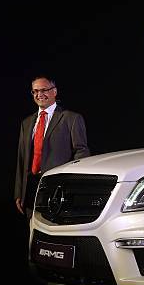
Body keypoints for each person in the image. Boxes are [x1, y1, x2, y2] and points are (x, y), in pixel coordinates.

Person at [14, 75, 90, 219]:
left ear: (54, 91)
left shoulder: (71, 119)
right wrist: (19, 192)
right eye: (35, 91)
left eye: (44, 90)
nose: (39, 94)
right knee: (34, 232)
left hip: (58, 188)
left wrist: (74, 188)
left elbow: (81, 154)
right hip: (31, 190)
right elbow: (21, 159)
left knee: (54, 232)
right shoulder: (27, 123)